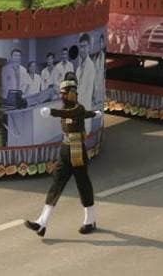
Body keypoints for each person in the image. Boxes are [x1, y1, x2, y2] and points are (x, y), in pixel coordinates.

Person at [25, 72, 101, 237]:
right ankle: (41, 223)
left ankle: (90, 219)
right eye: (63, 94)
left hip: (77, 150)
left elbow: (74, 114)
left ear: (72, 93)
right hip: (65, 149)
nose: (63, 96)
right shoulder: (67, 108)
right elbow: (82, 114)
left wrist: (51, 112)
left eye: (65, 93)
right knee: (56, 184)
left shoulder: (75, 108)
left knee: (83, 184)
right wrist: (94, 114)